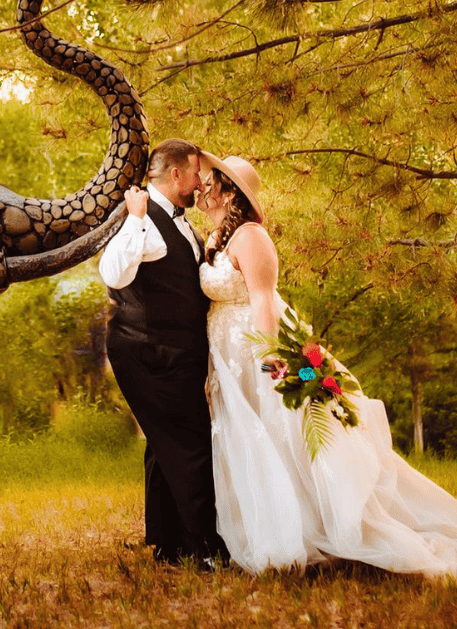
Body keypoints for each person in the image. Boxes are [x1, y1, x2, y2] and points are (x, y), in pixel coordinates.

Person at [196, 152, 457, 576]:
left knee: (279, 435)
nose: (201, 189)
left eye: (210, 183)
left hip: (255, 348)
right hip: (226, 352)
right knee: (248, 438)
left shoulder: (251, 237)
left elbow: (263, 299)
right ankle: (266, 528)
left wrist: (269, 358)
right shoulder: (217, 238)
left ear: (229, 193)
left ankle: (311, 532)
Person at [98, 138, 228, 567]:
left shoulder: (179, 221)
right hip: (149, 351)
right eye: (196, 174)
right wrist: (136, 219)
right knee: (190, 444)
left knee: (163, 444)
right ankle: (203, 549)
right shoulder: (141, 216)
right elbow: (113, 273)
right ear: (176, 174)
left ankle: (168, 544)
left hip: (174, 350)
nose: (200, 183)